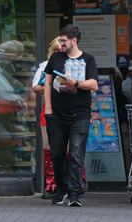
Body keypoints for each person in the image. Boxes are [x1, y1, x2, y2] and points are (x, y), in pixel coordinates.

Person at [43, 24, 99, 207]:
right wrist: (48, 109)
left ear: (74, 40)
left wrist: (75, 82)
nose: (61, 43)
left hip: (80, 114)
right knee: (57, 154)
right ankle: (62, 189)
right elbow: (48, 82)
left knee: (76, 154)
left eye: (64, 40)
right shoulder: (56, 58)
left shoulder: (88, 59)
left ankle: (75, 193)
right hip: (57, 115)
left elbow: (93, 85)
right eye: (60, 40)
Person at [31, 36, 62, 199]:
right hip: (49, 110)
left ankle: (75, 181)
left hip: (69, 111)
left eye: (61, 49)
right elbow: (36, 87)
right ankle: (51, 183)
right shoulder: (45, 65)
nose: (58, 52)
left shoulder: (74, 63)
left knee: (70, 149)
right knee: (49, 148)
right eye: (55, 49)